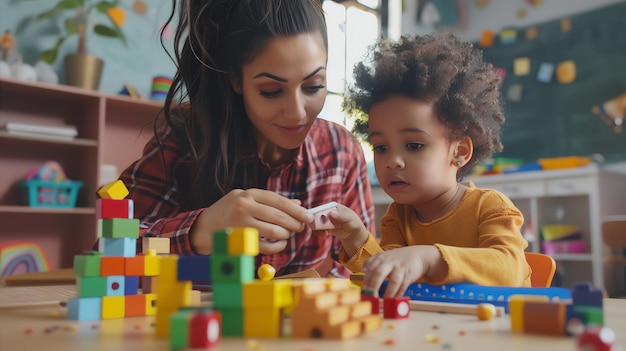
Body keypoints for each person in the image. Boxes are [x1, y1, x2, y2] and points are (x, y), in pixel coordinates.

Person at [116, 0, 375, 278]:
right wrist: (201, 229)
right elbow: (112, 251)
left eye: (313, 86)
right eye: (271, 91)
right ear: (236, 81)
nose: (297, 112)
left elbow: (358, 272)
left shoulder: (341, 151)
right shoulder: (186, 138)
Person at [326, 33, 531, 296]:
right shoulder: (398, 216)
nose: (392, 161)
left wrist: (428, 258)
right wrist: (355, 238)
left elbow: (509, 269)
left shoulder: (490, 207)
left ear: (460, 151)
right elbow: (387, 276)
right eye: (381, 148)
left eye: (414, 145)